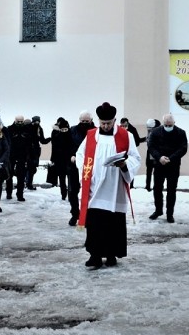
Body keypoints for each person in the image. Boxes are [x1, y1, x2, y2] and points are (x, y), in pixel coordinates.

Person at [75, 102, 141, 269]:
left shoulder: (126, 136)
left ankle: (112, 254)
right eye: (102, 123)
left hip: (115, 187)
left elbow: (135, 157)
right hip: (95, 186)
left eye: (108, 123)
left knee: (113, 222)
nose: (105, 126)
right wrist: (85, 171)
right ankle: (95, 255)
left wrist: (124, 165)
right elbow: (81, 154)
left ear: (114, 120)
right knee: (95, 222)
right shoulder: (91, 135)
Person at [147, 113, 188, 223]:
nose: (168, 127)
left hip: (173, 166)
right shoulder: (155, 132)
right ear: (163, 124)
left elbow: (183, 148)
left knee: (171, 191)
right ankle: (158, 210)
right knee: (157, 189)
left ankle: (170, 214)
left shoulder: (180, 132)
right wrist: (159, 157)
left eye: (170, 125)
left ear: (174, 123)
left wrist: (171, 158)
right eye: (166, 125)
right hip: (159, 165)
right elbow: (151, 146)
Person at [67, 111, 95, 226]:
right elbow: (66, 145)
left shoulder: (95, 131)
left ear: (91, 120)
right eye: (82, 121)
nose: (84, 123)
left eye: (87, 121)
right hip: (74, 166)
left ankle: (87, 215)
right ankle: (75, 214)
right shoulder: (72, 130)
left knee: (89, 191)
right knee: (73, 191)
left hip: (90, 166)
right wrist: (71, 155)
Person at [4, 115, 32, 201]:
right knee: (9, 175)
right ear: (15, 120)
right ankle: (9, 193)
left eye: (21, 121)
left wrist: (28, 156)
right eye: (18, 121)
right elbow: (6, 143)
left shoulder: (27, 130)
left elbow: (29, 144)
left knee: (21, 176)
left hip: (22, 156)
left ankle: (20, 195)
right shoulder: (9, 129)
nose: (20, 123)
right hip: (11, 156)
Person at [49, 117, 73, 200]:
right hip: (60, 159)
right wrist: (52, 159)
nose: (64, 131)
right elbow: (54, 147)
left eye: (66, 129)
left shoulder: (70, 133)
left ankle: (69, 194)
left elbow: (72, 146)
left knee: (69, 178)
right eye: (62, 130)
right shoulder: (56, 134)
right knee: (62, 178)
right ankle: (63, 194)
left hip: (68, 159)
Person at [25, 116, 51, 190]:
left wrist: (50, 138)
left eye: (38, 121)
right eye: (35, 121)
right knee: (28, 168)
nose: (37, 123)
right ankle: (27, 183)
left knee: (33, 169)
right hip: (27, 150)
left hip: (35, 151)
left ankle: (29, 183)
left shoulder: (39, 129)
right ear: (32, 121)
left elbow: (42, 141)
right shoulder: (27, 127)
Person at [143, 118, 160, 191]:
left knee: (156, 172)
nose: (149, 130)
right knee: (149, 171)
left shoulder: (157, 133)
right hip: (150, 153)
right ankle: (148, 186)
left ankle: (156, 186)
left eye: (150, 129)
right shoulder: (151, 132)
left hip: (155, 153)